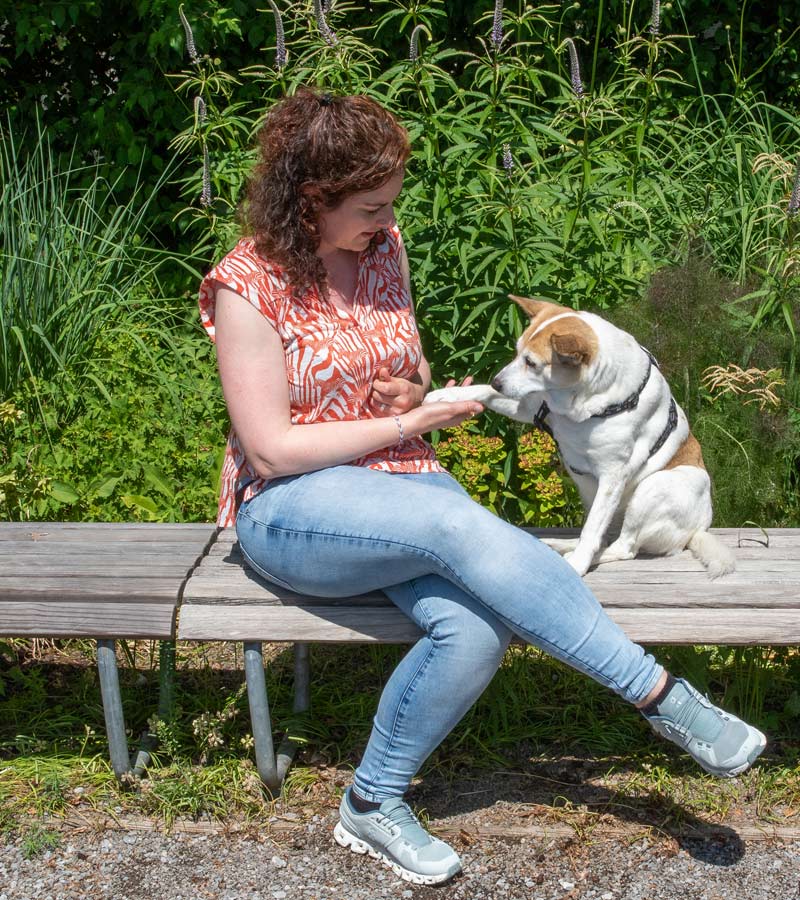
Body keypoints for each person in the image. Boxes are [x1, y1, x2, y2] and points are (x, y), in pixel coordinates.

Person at [199, 88, 766, 887]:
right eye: (371, 206)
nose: (388, 221)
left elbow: (410, 363)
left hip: (400, 487)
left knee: (474, 629)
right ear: (310, 200)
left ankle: (372, 802)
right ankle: (662, 697)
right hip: (293, 509)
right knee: (461, 529)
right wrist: (411, 424)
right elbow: (271, 450)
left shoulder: (380, 252)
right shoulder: (245, 285)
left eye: (392, 204)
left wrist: (411, 388)